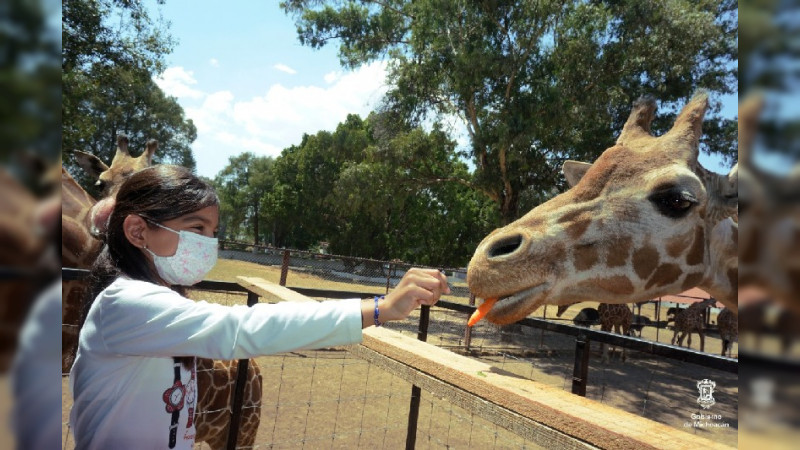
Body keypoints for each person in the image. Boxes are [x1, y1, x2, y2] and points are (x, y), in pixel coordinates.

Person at [68, 165, 450, 449]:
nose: (208, 244)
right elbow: (240, 329)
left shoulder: (155, 302)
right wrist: (379, 308)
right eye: (196, 229)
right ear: (138, 231)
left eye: (213, 232)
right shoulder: (128, 303)